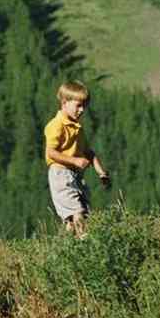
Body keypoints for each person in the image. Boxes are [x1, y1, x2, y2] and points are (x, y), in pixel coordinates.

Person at [44, 80, 110, 238]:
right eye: (78, 106)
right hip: (60, 174)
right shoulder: (56, 125)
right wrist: (74, 161)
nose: (81, 110)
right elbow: (51, 152)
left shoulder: (77, 127)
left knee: (75, 218)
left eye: (84, 106)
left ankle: (64, 248)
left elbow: (88, 152)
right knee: (77, 210)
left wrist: (101, 172)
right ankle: (84, 242)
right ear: (65, 102)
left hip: (75, 175)